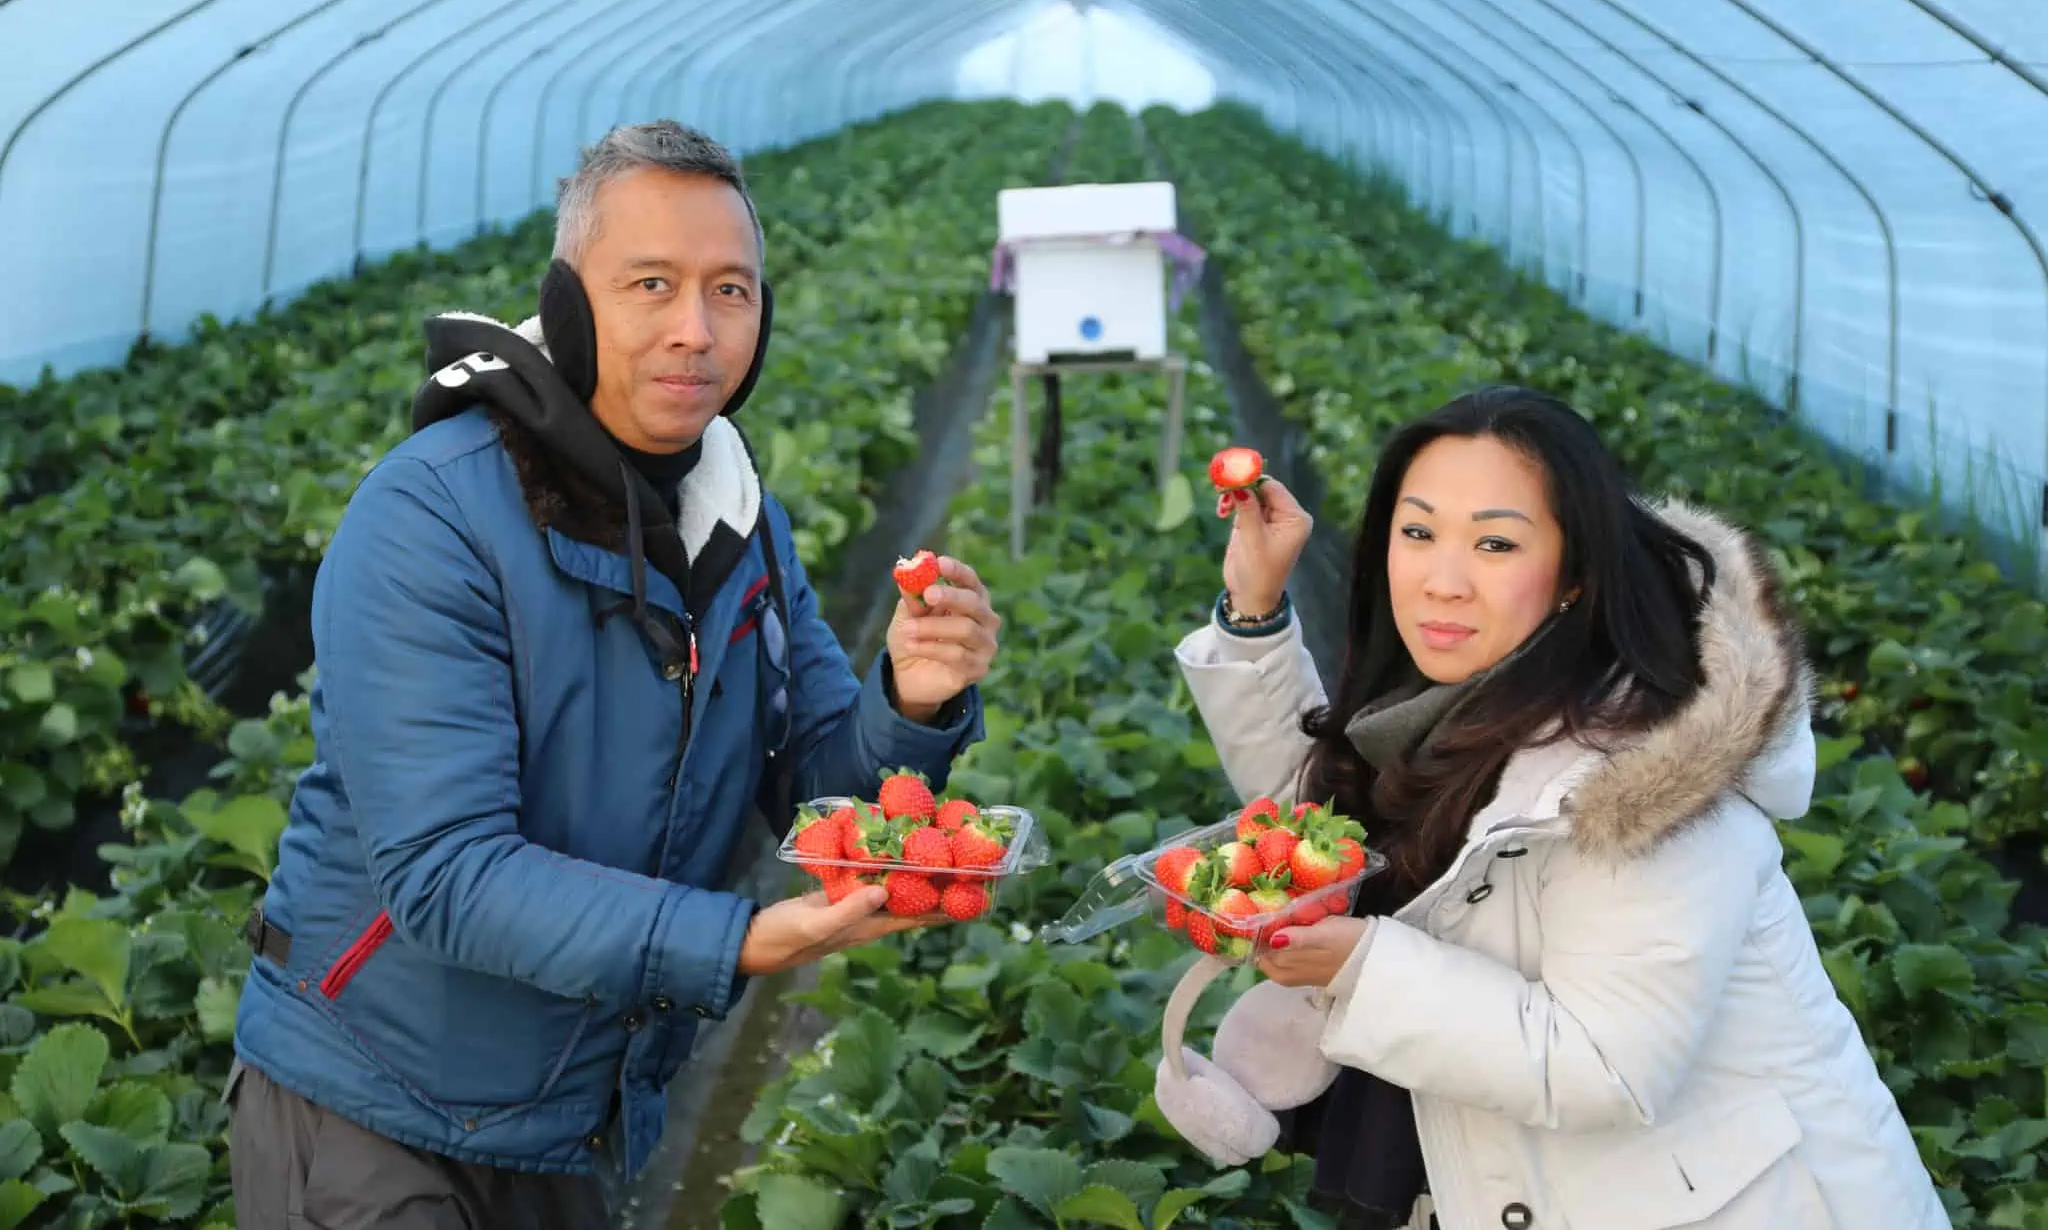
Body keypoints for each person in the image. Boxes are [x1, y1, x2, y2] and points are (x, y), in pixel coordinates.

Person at [226, 121, 1000, 1227]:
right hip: (375, 1107)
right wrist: (739, 939)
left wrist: (913, 699)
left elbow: (818, 774)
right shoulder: (432, 516)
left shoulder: (737, 519)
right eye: (651, 284)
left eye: (730, 290)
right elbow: (447, 873)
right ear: (570, 305)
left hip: (576, 1108)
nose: (695, 330)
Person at [1171, 385, 1950, 1230]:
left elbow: (1606, 1064)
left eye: (1496, 543)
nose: (1444, 580)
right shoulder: (1456, 710)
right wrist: (1254, 611)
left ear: (1576, 573)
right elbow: (1325, 822)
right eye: (1418, 531)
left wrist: (1362, 966)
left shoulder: (1646, 773)